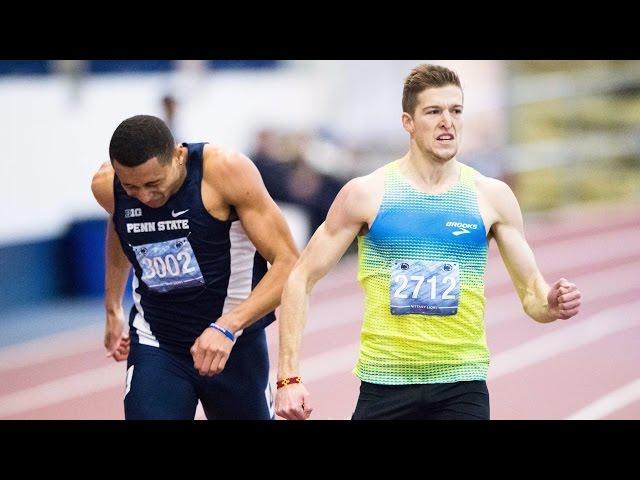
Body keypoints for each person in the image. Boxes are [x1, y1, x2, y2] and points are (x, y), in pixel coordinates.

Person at [274, 64, 582, 420]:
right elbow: (300, 278)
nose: (447, 121)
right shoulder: (367, 194)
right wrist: (288, 378)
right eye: (434, 111)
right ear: (408, 122)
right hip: (385, 382)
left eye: (456, 110)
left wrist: (552, 303)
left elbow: (533, 297)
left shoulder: (491, 196)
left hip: (461, 384)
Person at [91, 115, 298, 419]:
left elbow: (289, 263)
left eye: (153, 184)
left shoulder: (226, 172)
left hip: (234, 344)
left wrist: (227, 326)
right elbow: (120, 226)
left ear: (177, 155)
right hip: (158, 342)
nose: (146, 197)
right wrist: (112, 307)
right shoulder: (106, 186)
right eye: (132, 187)